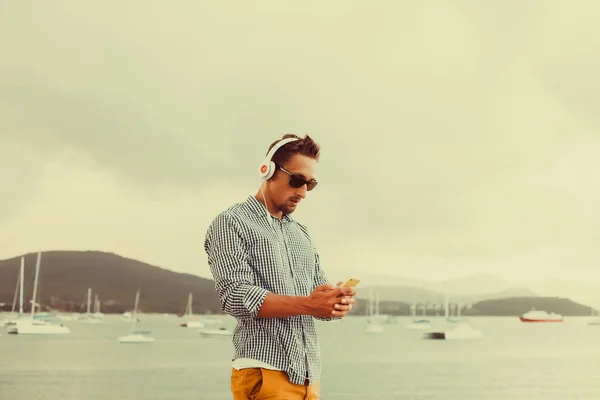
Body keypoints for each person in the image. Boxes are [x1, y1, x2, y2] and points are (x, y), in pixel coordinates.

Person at [204, 134, 357, 399]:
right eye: (297, 180)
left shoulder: (302, 234)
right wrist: (310, 304)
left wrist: (333, 303)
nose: (303, 192)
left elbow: (315, 298)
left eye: (311, 184)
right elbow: (234, 296)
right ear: (268, 171)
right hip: (264, 372)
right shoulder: (231, 223)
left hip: (309, 376)